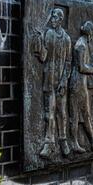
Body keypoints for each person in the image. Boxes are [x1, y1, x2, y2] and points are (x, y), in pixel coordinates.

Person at [35, 8, 71, 159]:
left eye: (55, 17)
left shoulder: (67, 39)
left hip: (61, 83)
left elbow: (68, 62)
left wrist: (64, 81)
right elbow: (43, 57)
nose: (52, 19)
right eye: (52, 17)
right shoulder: (49, 34)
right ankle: (49, 144)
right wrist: (39, 40)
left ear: (60, 19)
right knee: (49, 114)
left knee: (62, 113)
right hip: (49, 81)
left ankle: (63, 141)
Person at [69, 21, 93, 154]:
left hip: (81, 84)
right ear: (89, 33)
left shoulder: (84, 44)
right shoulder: (81, 45)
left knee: (86, 114)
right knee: (75, 115)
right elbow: (82, 67)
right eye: (92, 33)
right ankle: (74, 143)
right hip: (76, 84)